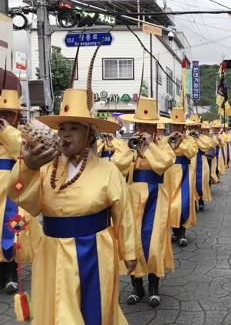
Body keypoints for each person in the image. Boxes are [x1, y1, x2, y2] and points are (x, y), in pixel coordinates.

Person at [9, 88, 137, 324]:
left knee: (95, 307)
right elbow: (27, 202)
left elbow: (124, 214)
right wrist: (27, 168)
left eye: (74, 128)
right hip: (52, 249)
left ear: (89, 135)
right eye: (62, 128)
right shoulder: (44, 167)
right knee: (58, 308)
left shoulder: (108, 170)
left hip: (95, 249)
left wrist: (128, 251)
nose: (66, 134)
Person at [114, 97, 175, 308]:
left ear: (154, 127)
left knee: (154, 240)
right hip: (130, 195)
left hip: (155, 196)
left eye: (147, 126)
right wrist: (132, 150)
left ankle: (154, 288)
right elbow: (116, 167)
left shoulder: (163, 145)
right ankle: (136, 287)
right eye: (140, 125)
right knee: (132, 240)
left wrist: (149, 146)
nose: (143, 129)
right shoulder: (126, 145)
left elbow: (164, 164)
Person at [0, 89, 40, 295]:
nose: (2, 117)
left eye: (7, 113)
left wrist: (6, 131)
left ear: (16, 115)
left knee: (13, 231)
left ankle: (12, 275)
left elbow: (22, 153)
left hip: (13, 192)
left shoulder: (23, 134)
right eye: (0, 113)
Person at [165, 109, 198, 247]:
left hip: (184, 172)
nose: (176, 129)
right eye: (174, 126)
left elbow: (191, 153)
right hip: (168, 173)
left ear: (184, 127)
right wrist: (168, 142)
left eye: (179, 126)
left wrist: (182, 141)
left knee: (182, 203)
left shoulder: (190, 140)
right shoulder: (164, 140)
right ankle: (173, 231)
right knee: (169, 204)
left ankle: (182, 232)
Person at [189, 115, 216, 211]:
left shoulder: (204, 138)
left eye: (196, 127)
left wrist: (197, 137)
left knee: (202, 180)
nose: (194, 129)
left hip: (202, 160)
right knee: (191, 181)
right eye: (192, 127)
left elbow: (207, 146)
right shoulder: (185, 137)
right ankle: (193, 202)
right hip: (190, 162)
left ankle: (201, 200)